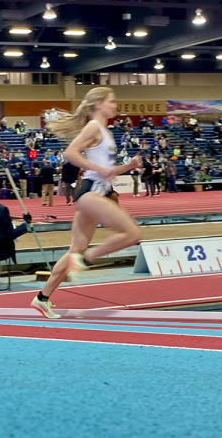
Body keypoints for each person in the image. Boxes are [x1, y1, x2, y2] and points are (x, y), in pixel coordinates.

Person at [31, 88, 142, 319]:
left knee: (75, 249)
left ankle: (42, 298)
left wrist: (127, 167)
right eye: (112, 101)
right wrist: (99, 168)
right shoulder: (94, 127)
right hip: (90, 193)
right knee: (131, 233)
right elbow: (70, 153)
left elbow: (108, 172)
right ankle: (86, 260)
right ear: (99, 104)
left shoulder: (105, 131)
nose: (115, 105)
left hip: (96, 192)